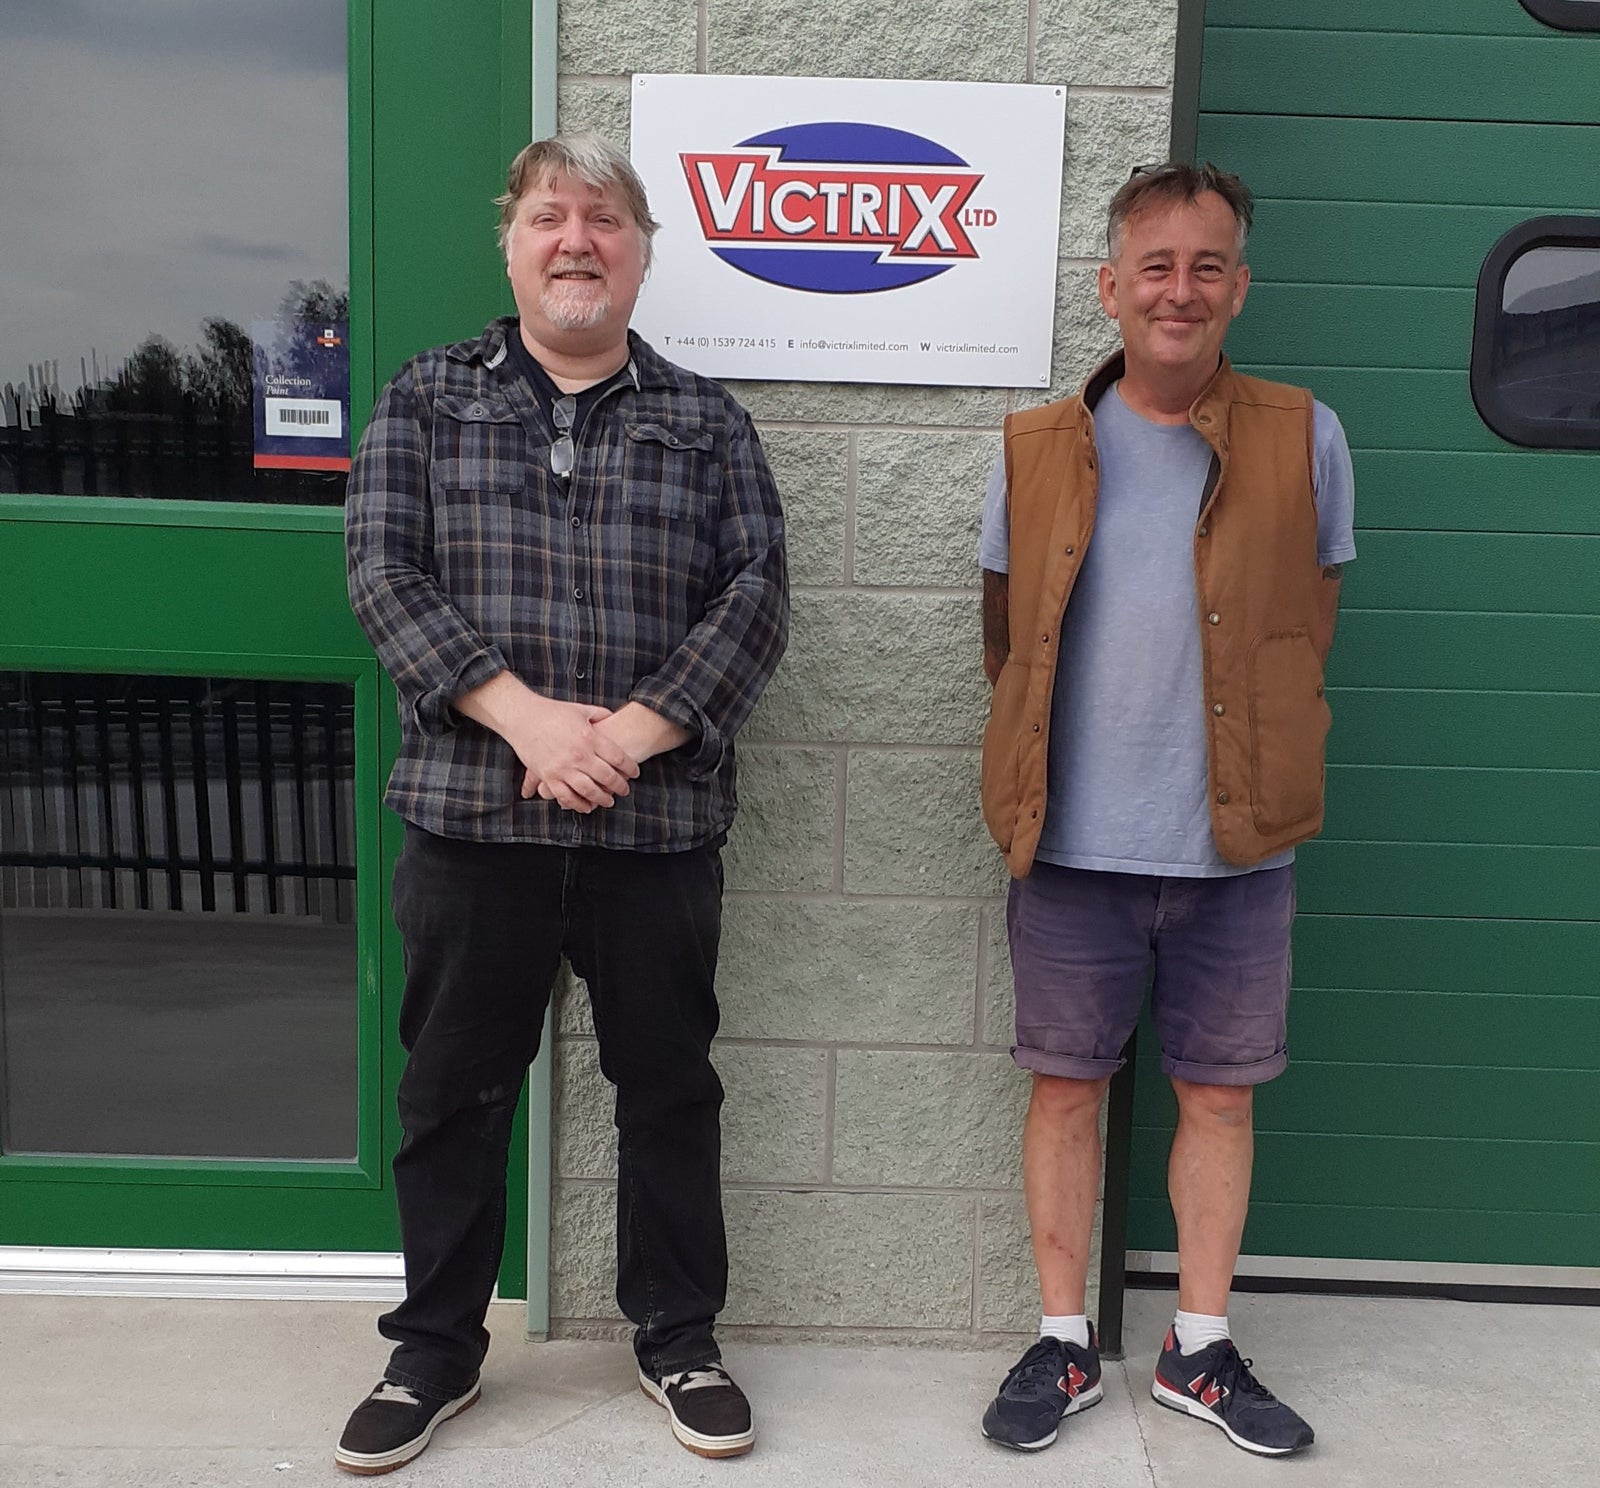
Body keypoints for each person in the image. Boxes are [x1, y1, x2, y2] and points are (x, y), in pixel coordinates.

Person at [337, 133, 788, 1474]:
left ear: (641, 254)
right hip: (473, 823)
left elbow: (756, 596)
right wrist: (526, 718)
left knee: (668, 1092)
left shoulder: (707, 422)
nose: (576, 240)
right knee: (452, 1096)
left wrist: (632, 736)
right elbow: (382, 574)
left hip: (655, 828)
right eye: (550, 216)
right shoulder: (428, 400)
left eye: (604, 219)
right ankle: (433, 1351)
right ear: (512, 243)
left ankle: (680, 1340)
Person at [976, 162, 1354, 1460]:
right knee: (1064, 1093)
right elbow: (1007, 643)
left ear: (1239, 286)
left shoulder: (1306, 435)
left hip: (1234, 854)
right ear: (1110, 287)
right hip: (1070, 847)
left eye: (1207, 266)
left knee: (1222, 1100)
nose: (1179, 290)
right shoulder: (1035, 447)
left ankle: (1200, 1350)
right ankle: (1063, 1343)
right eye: (1156, 266)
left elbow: (1307, 631)